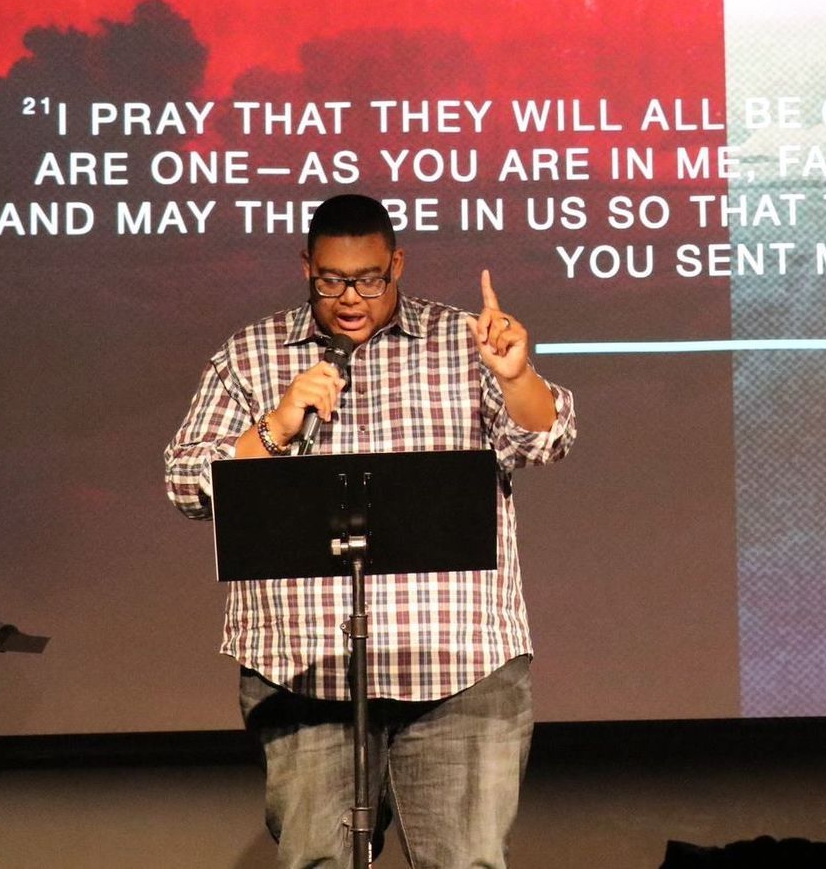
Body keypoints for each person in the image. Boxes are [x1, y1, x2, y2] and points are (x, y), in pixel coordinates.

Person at [163, 193, 575, 868]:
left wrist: (517, 374)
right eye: (331, 280)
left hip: (457, 667)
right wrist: (276, 426)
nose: (350, 297)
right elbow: (187, 484)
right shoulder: (252, 353)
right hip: (306, 670)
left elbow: (547, 440)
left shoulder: (461, 340)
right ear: (306, 267)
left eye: (370, 279)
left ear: (397, 264)